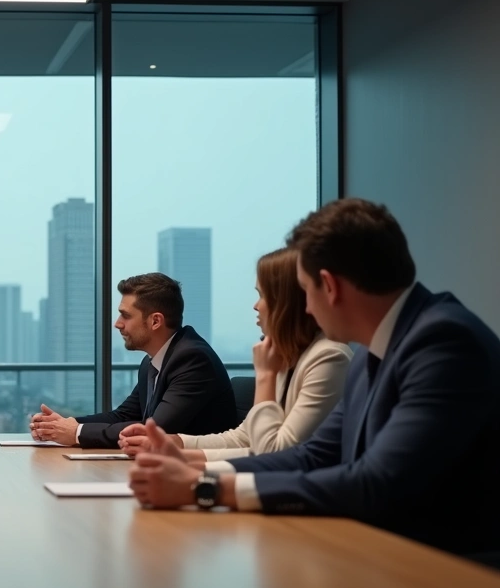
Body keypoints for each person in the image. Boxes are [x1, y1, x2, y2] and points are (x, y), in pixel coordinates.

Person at [128, 198, 500, 558]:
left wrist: (203, 488)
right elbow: (314, 455)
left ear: (330, 286)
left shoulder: (443, 342)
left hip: (448, 571)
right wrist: (194, 469)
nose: (304, 307)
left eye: (306, 291)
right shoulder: (373, 352)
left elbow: (377, 482)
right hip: (380, 553)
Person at [119, 248, 352, 461]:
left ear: (287, 303)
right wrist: (176, 443)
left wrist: (265, 376)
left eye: (262, 295)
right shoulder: (290, 356)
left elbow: (275, 454)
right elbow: (244, 438)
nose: (256, 306)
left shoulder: (328, 358)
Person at [30, 273, 237, 448]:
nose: (117, 324)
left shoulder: (193, 359)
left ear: (155, 321)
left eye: (125, 316)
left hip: (197, 475)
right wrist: (63, 424)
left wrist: (77, 432)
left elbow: (154, 430)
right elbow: (124, 416)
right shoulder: (153, 361)